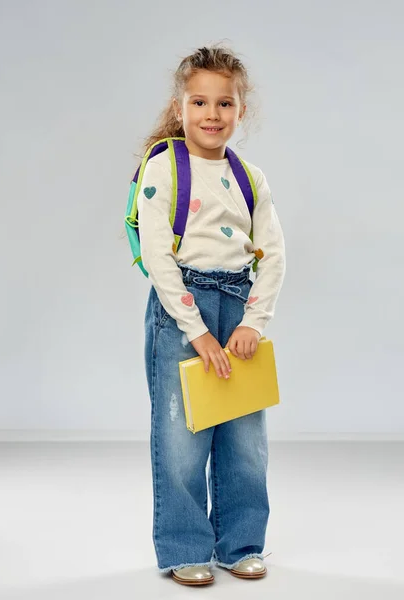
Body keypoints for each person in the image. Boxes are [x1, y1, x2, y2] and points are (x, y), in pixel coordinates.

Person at [135, 44, 286, 586]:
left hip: (237, 305)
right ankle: (184, 547)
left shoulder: (250, 177)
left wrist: (253, 323)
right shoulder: (164, 166)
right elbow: (157, 257)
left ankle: (240, 542)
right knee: (181, 435)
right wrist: (195, 330)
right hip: (183, 309)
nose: (212, 114)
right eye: (200, 101)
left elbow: (273, 254)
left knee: (245, 435)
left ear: (241, 111)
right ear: (180, 107)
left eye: (225, 103)